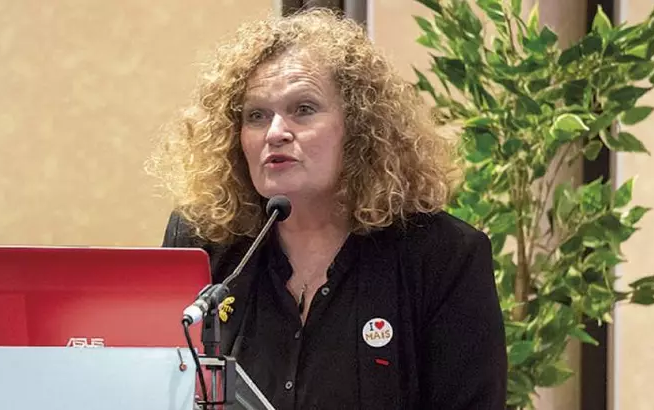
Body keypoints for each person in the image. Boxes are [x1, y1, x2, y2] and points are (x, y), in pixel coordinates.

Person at [147, 8, 506, 410]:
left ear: (357, 127)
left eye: (303, 109)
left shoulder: (444, 257)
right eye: (256, 116)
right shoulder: (202, 241)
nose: (276, 132)